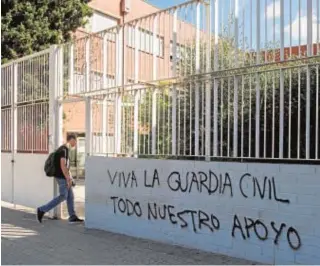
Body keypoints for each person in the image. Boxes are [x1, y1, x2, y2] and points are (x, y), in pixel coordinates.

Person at [37, 134, 84, 223]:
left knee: (70, 196)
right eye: (75, 141)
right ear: (71, 140)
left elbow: (66, 166)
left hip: (62, 176)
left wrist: (70, 178)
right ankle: (42, 209)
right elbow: (63, 165)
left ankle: (72, 216)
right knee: (63, 196)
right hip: (61, 177)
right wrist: (68, 179)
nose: (76, 143)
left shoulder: (62, 149)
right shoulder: (64, 150)